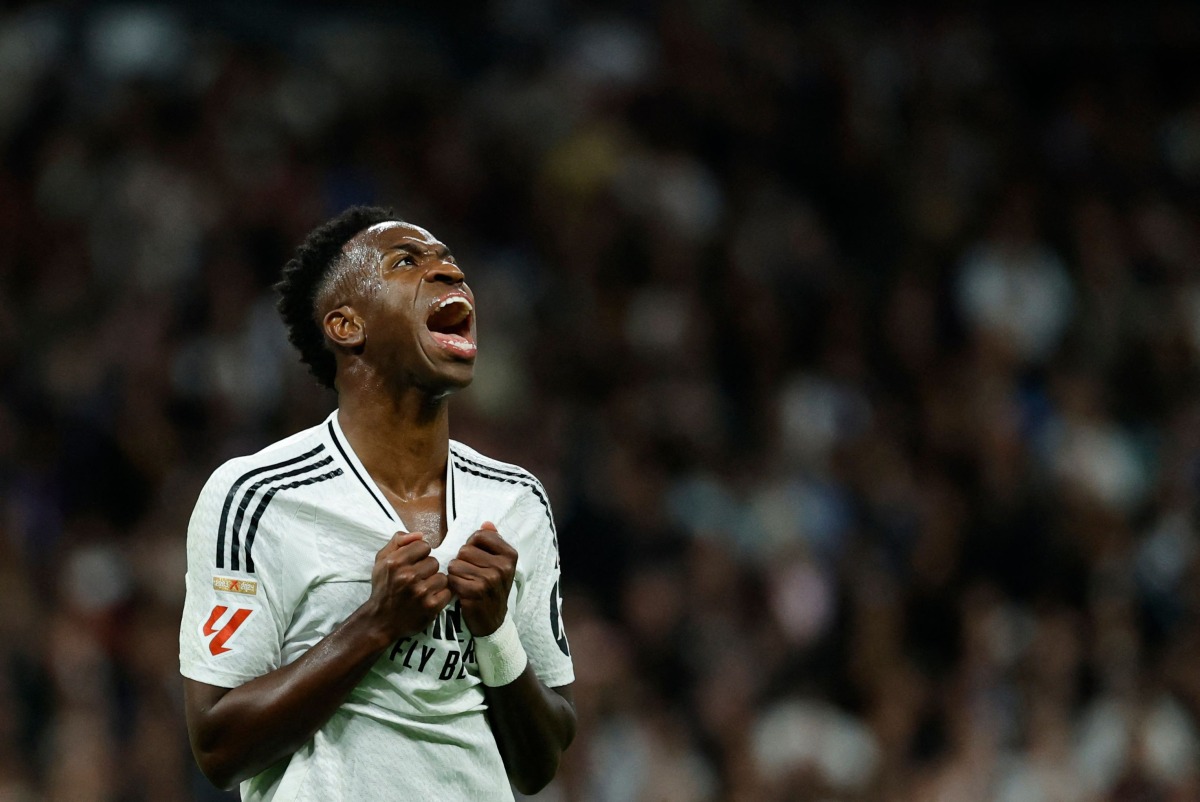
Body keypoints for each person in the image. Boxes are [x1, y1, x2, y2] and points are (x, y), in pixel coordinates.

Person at [179, 206, 576, 801]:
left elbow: (538, 763)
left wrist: (495, 632)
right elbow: (218, 746)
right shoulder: (257, 496)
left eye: (451, 262)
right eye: (408, 262)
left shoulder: (517, 500)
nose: (449, 274)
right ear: (345, 326)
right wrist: (376, 624)